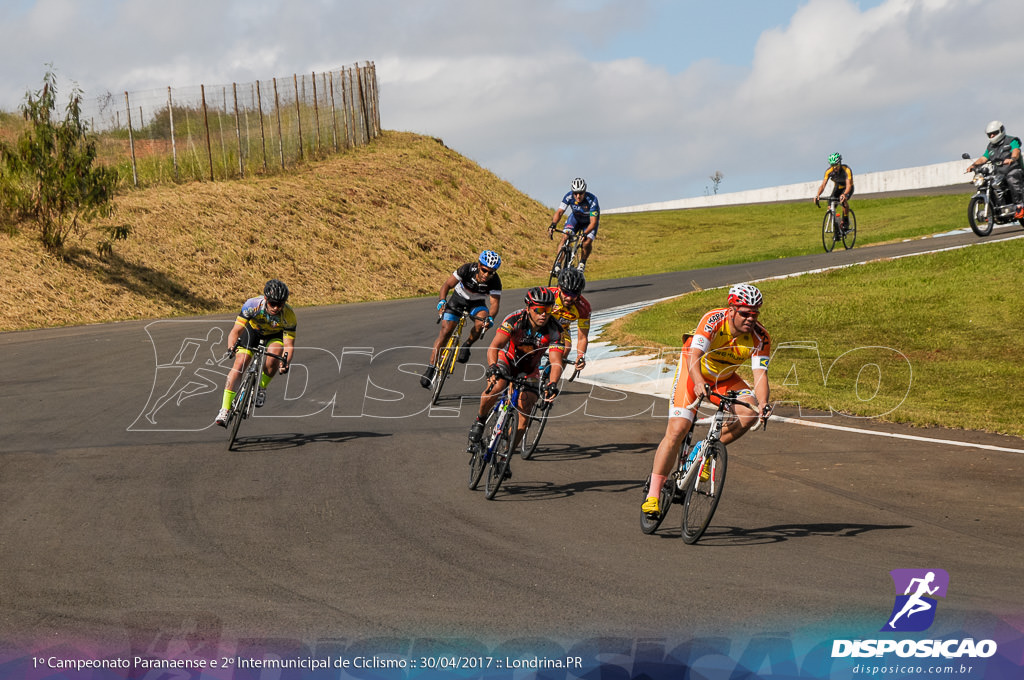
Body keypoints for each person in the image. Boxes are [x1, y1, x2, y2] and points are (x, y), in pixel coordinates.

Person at [641, 283, 772, 516]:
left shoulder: (760, 337)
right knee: (678, 429)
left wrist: (763, 403)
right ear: (731, 310)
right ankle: (653, 495)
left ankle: (706, 447)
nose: (750, 319)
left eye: (755, 314)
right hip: (694, 371)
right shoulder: (713, 320)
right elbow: (694, 356)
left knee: (749, 413)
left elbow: (760, 375)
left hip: (725, 377)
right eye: (745, 313)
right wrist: (699, 381)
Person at [467, 287, 570, 478]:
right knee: (496, 387)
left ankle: (505, 458)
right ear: (529, 307)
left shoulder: (555, 329)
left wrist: (552, 383)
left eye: (548, 310)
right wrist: (492, 366)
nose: (543, 315)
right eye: (539, 310)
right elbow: (495, 346)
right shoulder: (514, 319)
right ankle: (480, 421)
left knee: (524, 418)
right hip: (507, 361)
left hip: (530, 369)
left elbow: (556, 362)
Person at [215, 279, 296, 426]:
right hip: (252, 332)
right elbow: (236, 331)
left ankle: (262, 387)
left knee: (274, 357)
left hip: (273, 336)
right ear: (266, 299)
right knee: (239, 364)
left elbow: (289, 346)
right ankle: (225, 409)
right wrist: (231, 347)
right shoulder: (252, 305)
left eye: (280, 304)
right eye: (273, 303)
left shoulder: (289, 315)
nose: (276, 308)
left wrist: (285, 363)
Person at [420, 250, 503, 389]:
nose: (487, 274)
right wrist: (442, 301)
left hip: (477, 304)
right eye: (484, 270)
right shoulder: (466, 269)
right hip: (458, 300)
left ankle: (467, 344)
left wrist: (490, 318)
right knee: (446, 331)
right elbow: (447, 285)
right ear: (479, 265)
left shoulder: (495, 281)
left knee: (481, 323)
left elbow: (495, 304)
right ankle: (431, 367)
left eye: (491, 272)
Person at [965, 120, 1024, 219]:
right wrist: (973, 165)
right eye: (990, 134)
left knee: (1011, 178)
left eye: (994, 133)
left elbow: (1016, 151)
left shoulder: (1011, 140)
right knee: (988, 183)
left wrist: (1012, 159)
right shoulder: (991, 147)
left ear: (1001, 131)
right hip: (999, 173)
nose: (992, 136)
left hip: (1014, 169)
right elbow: (984, 158)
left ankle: (1020, 206)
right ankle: (992, 210)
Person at [543, 268, 592, 374]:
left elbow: (582, 337)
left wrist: (580, 356)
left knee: (566, 349)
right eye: (566, 292)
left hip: (561, 328)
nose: (569, 298)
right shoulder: (547, 295)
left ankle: (550, 383)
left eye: (574, 294)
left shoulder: (584, 308)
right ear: (559, 288)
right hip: (540, 325)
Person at [548, 177, 600, 274]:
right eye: (575, 193)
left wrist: (585, 233)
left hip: (589, 223)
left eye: (580, 193)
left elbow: (593, 222)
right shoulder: (568, 196)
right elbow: (559, 212)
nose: (578, 196)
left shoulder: (592, 200)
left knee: (586, 242)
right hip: (575, 219)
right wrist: (553, 224)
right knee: (565, 237)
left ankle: (582, 263)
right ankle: (558, 265)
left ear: (584, 191)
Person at [813, 153, 854, 231]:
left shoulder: (846, 170)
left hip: (848, 188)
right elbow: (823, 185)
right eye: (832, 165)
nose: (834, 167)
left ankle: (845, 221)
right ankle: (837, 227)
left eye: (836, 164)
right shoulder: (829, 171)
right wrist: (818, 195)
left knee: (843, 201)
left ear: (840, 163)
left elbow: (848, 185)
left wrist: (844, 194)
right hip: (838, 187)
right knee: (830, 207)